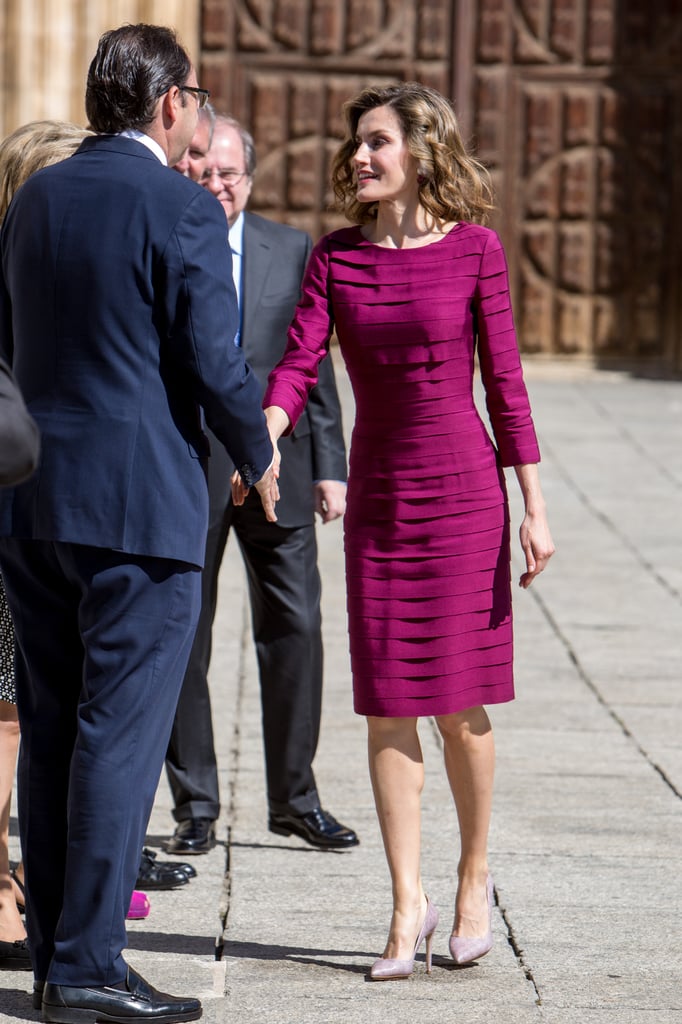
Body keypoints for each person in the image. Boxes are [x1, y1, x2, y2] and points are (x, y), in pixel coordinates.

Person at [0, 23, 278, 1024]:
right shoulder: (178, 202)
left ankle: (52, 951)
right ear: (171, 105)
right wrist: (258, 451)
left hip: (33, 503)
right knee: (119, 735)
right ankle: (87, 967)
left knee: (54, 730)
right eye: (196, 99)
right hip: (141, 512)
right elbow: (215, 358)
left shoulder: (35, 197)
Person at [258, 82, 555, 980]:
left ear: (421, 152)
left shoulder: (476, 251)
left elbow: (504, 382)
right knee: (387, 702)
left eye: (377, 142)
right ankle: (404, 906)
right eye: (357, 144)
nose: (360, 156)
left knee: (460, 706)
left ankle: (471, 879)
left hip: (464, 497)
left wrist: (535, 507)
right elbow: (301, 360)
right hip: (383, 500)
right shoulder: (337, 258)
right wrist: (262, 434)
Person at [163, 114, 358, 855]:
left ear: (251, 175)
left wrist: (332, 466)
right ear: (188, 170)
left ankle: (295, 799)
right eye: (205, 172)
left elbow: (313, 359)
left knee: (297, 628)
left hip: (284, 465)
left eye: (230, 175)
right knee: (187, 633)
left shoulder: (292, 246)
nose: (218, 187)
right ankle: (197, 805)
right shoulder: (171, 235)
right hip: (193, 463)